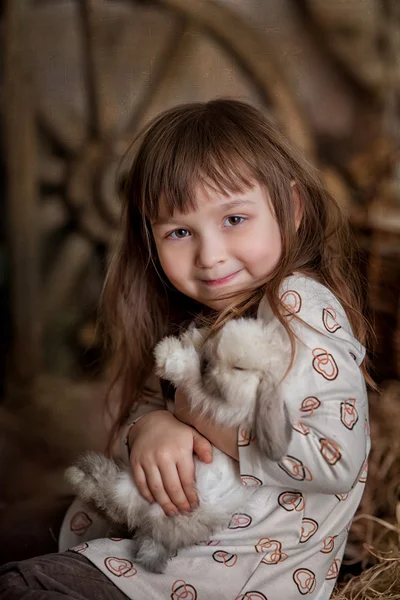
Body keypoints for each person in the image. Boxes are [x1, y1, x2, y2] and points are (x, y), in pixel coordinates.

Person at [0, 99, 372, 600]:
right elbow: (158, 413)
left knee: (21, 589)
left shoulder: (296, 305)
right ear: (151, 241)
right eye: (179, 232)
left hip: (226, 572)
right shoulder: (212, 317)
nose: (210, 255)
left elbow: (334, 461)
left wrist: (189, 414)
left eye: (234, 219)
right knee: (17, 525)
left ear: (295, 208)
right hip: (166, 540)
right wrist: (149, 428)